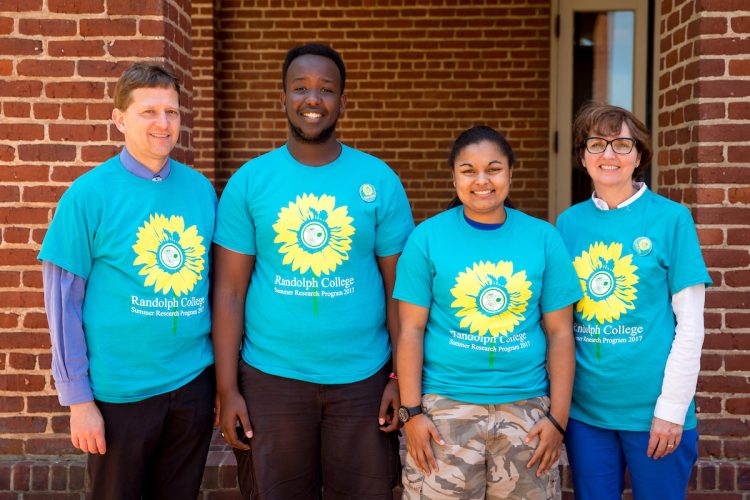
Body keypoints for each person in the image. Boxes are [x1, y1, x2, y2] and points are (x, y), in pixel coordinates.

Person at [212, 43, 414, 499]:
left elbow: (399, 289)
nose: (312, 99)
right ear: (282, 98)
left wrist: (401, 379)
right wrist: (227, 390)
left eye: (326, 89)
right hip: (271, 381)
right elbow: (228, 292)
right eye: (300, 87)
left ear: (342, 101)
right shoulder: (250, 181)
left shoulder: (378, 180)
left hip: (364, 380)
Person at [38, 63, 217, 499]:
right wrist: (79, 402)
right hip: (119, 394)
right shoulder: (88, 195)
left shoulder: (201, 190)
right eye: (148, 112)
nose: (163, 123)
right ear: (119, 119)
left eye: (172, 112)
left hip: (192, 384)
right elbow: (62, 305)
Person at [394, 125, 581, 499]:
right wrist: (411, 414)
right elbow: (410, 331)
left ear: (511, 173)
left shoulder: (543, 238)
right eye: (468, 170)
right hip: (444, 412)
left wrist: (557, 421)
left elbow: (560, 333)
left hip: (526, 411)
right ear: (454, 177)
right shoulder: (426, 238)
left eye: (494, 169)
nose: (482, 180)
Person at [556, 103, 711, 499]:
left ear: (639, 155)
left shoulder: (671, 219)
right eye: (596, 144)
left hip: (653, 412)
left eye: (622, 144)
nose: (609, 155)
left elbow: (690, 324)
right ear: (582, 156)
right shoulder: (567, 224)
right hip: (586, 413)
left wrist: (672, 410)